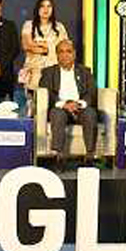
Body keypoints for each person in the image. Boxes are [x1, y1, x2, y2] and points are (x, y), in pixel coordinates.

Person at [39, 40, 98, 168]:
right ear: (57, 55)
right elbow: (46, 93)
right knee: (57, 114)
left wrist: (80, 104)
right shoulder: (48, 72)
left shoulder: (85, 71)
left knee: (90, 113)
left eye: (68, 51)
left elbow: (91, 92)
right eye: (61, 52)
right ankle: (59, 156)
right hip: (61, 107)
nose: (65, 55)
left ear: (74, 54)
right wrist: (63, 104)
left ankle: (89, 155)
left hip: (80, 108)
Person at [20, 0, 69, 92]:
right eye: (42, 6)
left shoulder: (59, 27)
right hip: (34, 72)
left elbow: (64, 48)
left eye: (49, 6)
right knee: (35, 99)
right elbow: (27, 46)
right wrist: (45, 49)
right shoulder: (29, 25)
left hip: (54, 72)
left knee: (53, 99)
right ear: (37, 9)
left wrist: (39, 44)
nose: (46, 9)